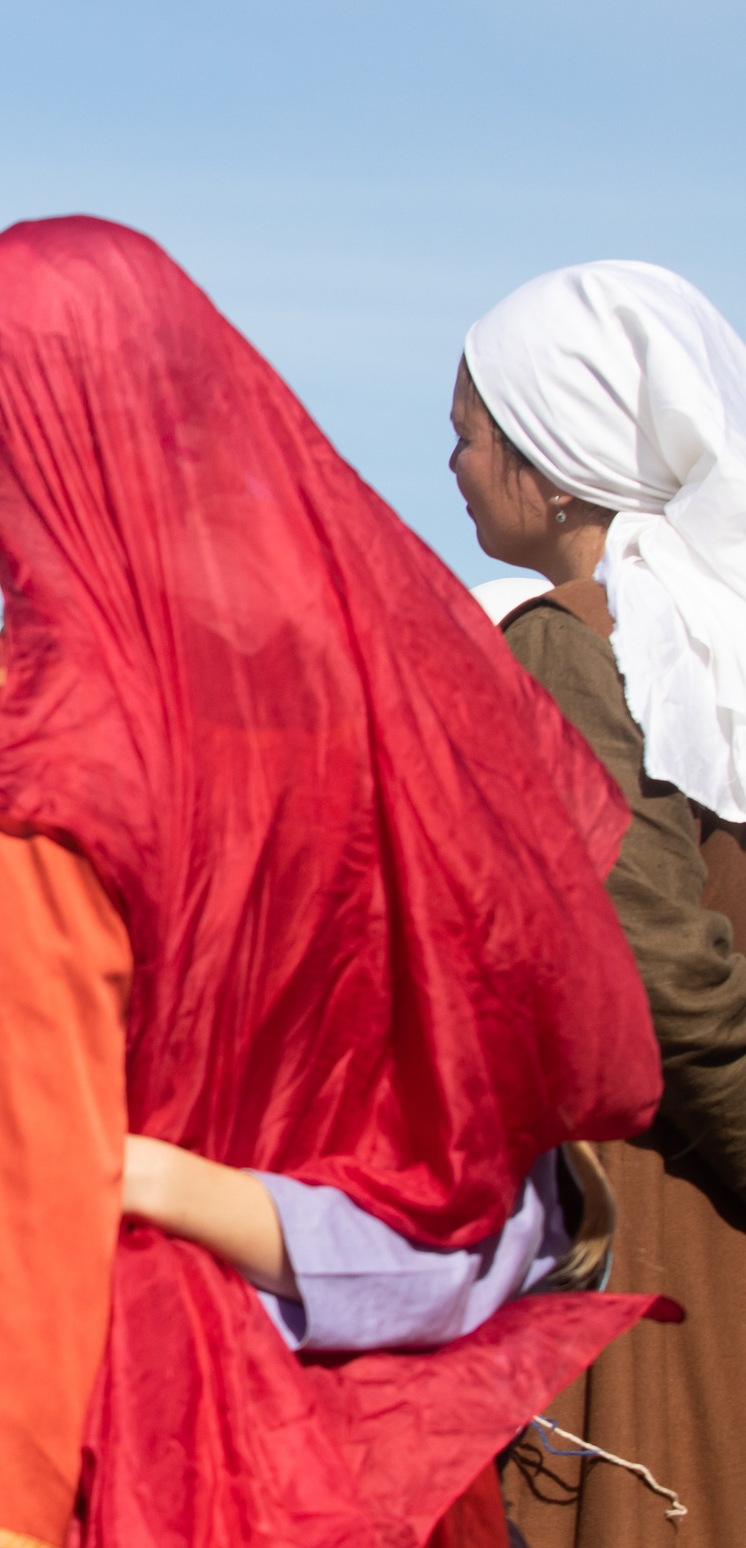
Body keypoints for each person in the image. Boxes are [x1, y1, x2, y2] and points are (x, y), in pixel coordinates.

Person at [0, 218, 669, 1548]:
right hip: (383, 1465)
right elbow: (489, 1200)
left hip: (126, 1447)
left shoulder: (12, 746)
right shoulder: (375, 724)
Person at [447, 260, 746, 1543]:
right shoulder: (709, 640)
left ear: (551, 467)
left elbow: (650, 968)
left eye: (466, 436)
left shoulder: (573, 645)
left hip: (659, 1202)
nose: (449, 465)